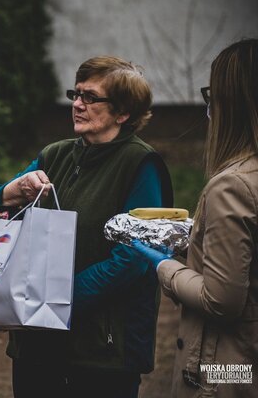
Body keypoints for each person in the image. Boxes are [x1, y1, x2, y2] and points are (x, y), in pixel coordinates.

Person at [0, 56, 173, 397]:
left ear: (122, 113)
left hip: (102, 349)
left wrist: (59, 299)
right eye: (75, 94)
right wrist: (12, 191)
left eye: (90, 97)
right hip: (36, 342)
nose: (77, 105)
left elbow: (136, 257)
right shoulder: (54, 155)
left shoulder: (141, 165)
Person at [132, 39, 258, 398]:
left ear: (229, 102)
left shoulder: (233, 186)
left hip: (231, 368)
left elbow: (221, 301)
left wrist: (164, 266)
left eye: (211, 95)